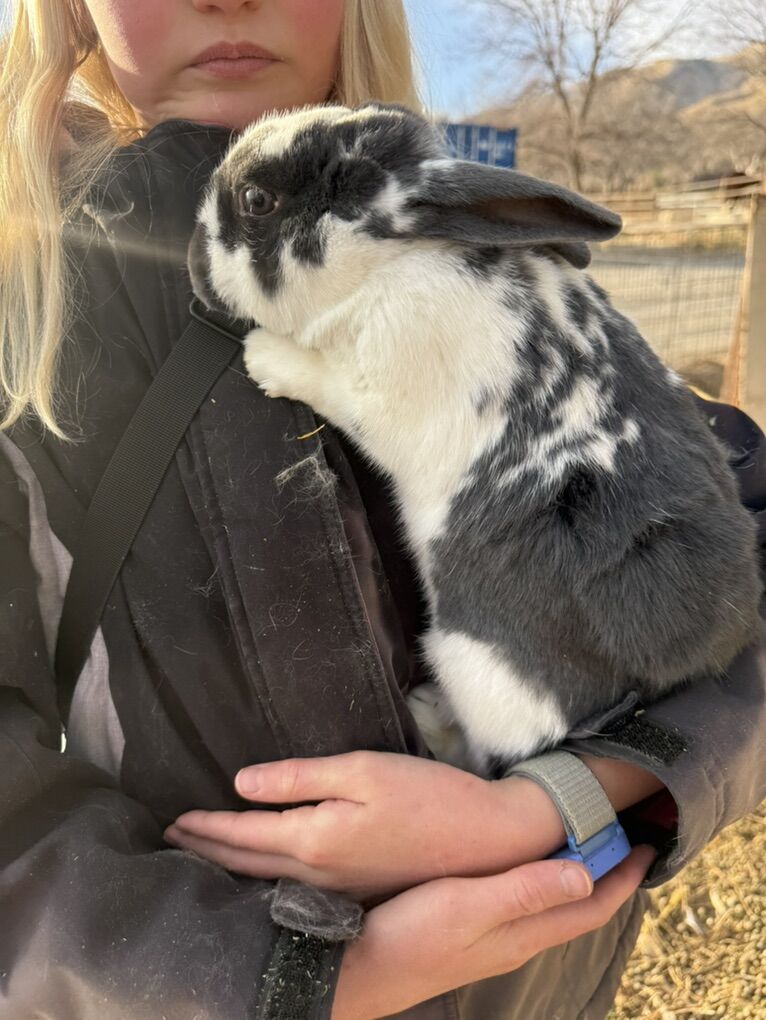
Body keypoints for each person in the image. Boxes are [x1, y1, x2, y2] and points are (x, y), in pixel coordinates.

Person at [0, 1, 764, 1018]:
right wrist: (306, 978)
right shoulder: (25, 308)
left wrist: (553, 804)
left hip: (543, 980)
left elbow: (724, 542)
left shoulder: (476, 242)